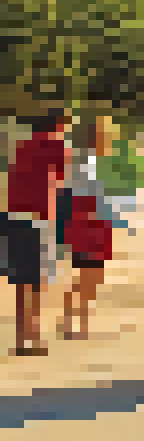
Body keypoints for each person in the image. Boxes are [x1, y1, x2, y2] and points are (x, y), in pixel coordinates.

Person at [4, 109, 69, 355]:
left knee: (22, 280)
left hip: (15, 216)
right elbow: (60, 182)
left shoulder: (21, 145)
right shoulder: (57, 145)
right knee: (39, 280)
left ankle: (22, 338)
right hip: (40, 218)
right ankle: (34, 336)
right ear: (58, 124)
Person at [58, 114, 126, 342]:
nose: (109, 142)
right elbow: (94, 199)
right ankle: (74, 322)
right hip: (90, 227)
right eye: (105, 137)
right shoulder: (87, 164)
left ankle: (76, 322)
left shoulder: (86, 163)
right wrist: (116, 216)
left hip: (87, 226)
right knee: (89, 276)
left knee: (90, 277)